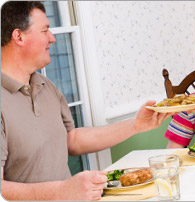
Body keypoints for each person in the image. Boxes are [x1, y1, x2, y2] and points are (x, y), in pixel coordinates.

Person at [1, 1, 173, 201]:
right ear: (18, 36)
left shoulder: (45, 86)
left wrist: (135, 125)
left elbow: (71, 140)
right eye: (45, 30)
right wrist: (62, 191)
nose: (52, 38)